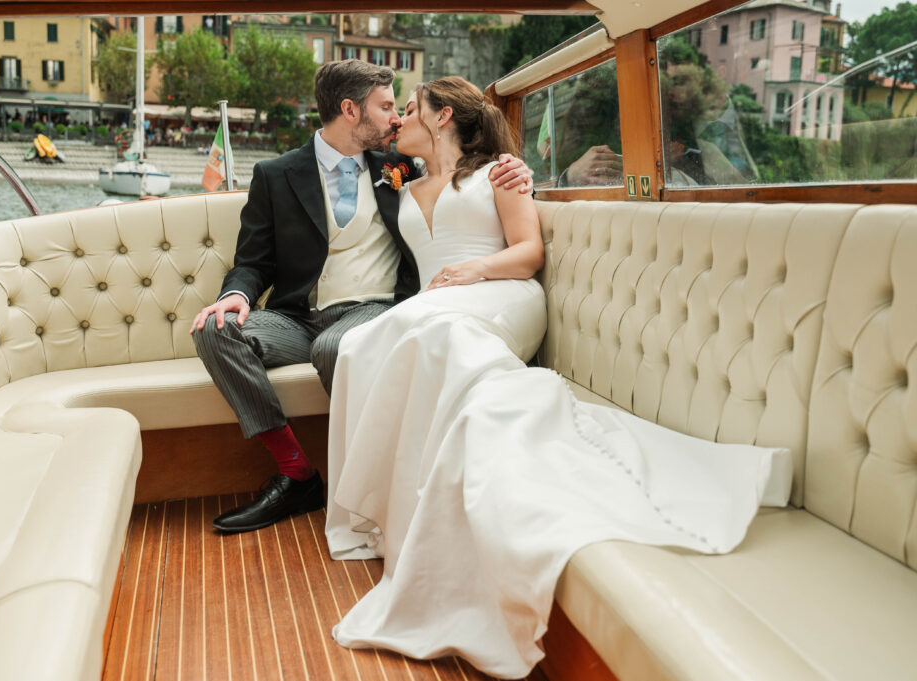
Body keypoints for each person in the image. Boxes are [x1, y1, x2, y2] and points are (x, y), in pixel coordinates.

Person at [323, 77, 793, 678]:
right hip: (437, 303)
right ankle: (391, 514)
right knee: (362, 344)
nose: (398, 122)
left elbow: (529, 252)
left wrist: (477, 270)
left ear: (442, 118)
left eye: (409, 110)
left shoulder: (500, 173)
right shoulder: (400, 180)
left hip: (502, 293)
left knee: (440, 339)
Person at [190, 60, 532, 535]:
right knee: (214, 328)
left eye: (400, 108)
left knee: (337, 346)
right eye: (387, 106)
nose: (397, 118)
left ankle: (369, 480)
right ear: (350, 110)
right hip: (295, 317)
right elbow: (253, 262)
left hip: (372, 309)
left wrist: (511, 164)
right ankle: (297, 474)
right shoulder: (276, 174)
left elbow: (462, 162)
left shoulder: (401, 167)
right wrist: (235, 296)